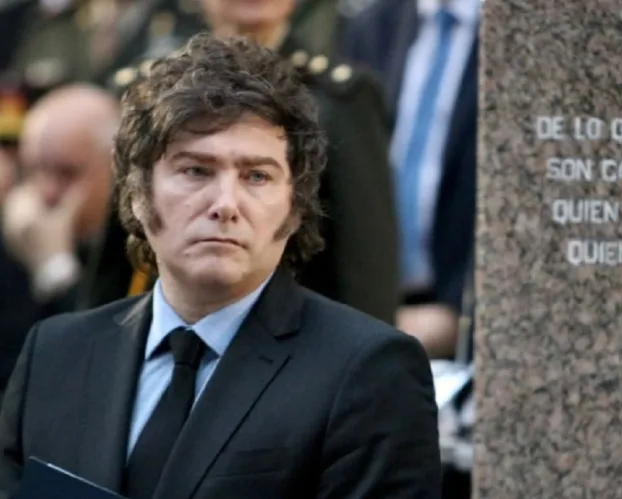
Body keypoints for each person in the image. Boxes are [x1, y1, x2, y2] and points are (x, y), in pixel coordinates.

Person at [0, 34, 441, 499]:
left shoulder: (369, 371)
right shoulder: (55, 355)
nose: (225, 204)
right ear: (138, 193)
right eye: (196, 170)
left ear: (294, 207)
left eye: (257, 176)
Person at [83, 0, 400, 325]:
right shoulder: (148, 91)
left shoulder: (342, 99)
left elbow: (365, 268)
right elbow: (118, 259)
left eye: (257, 176)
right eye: (196, 170)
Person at [341, 0, 479, 357]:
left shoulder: (531, 29)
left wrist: (463, 314)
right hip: (371, 313)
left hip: (470, 320)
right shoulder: (373, 24)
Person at [0, 84, 118, 398]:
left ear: (118, 170)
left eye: (67, 173)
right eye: (34, 170)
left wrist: (56, 269)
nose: (48, 191)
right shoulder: (14, 236)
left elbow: (102, 367)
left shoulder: (138, 253)